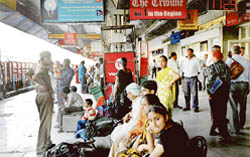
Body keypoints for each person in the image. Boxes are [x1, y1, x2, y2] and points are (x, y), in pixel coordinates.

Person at [28, 51, 54, 155]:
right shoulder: (41, 66)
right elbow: (35, 77)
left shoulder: (40, 65)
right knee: (45, 122)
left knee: (45, 121)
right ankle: (41, 147)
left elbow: (29, 74)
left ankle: (47, 142)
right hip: (44, 95)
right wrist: (43, 85)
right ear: (44, 58)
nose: (50, 59)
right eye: (49, 58)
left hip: (41, 95)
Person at [206, 50, 232, 143]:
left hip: (215, 93)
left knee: (217, 113)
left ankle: (225, 134)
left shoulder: (212, 67)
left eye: (212, 56)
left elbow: (209, 81)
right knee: (222, 111)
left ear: (215, 57)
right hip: (224, 92)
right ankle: (213, 130)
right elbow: (229, 80)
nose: (211, 58)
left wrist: (209, 93)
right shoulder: (227, 66)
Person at [226, 45, 250, 133]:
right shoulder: (246, 60)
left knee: (233, 106)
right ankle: (241, 125)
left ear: (232, 52)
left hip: (232, 85)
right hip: (244, 84)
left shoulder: (229, 61)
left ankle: (234, 128)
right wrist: (249, 87)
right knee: (243, 106)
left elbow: (226, 75)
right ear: (240, 51)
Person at [182, 48, 201, 112]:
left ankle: (195, 107)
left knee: (194, 93)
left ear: (192, 53)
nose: (189, 54)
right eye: (188, 53)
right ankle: (187, 106)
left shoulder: (196, 60)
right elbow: (183, 69)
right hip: (186, 78)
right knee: (186, 93)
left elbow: (199, 70)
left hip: (193, 78)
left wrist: (196, 76)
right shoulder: (185, 60)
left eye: (190, 52)